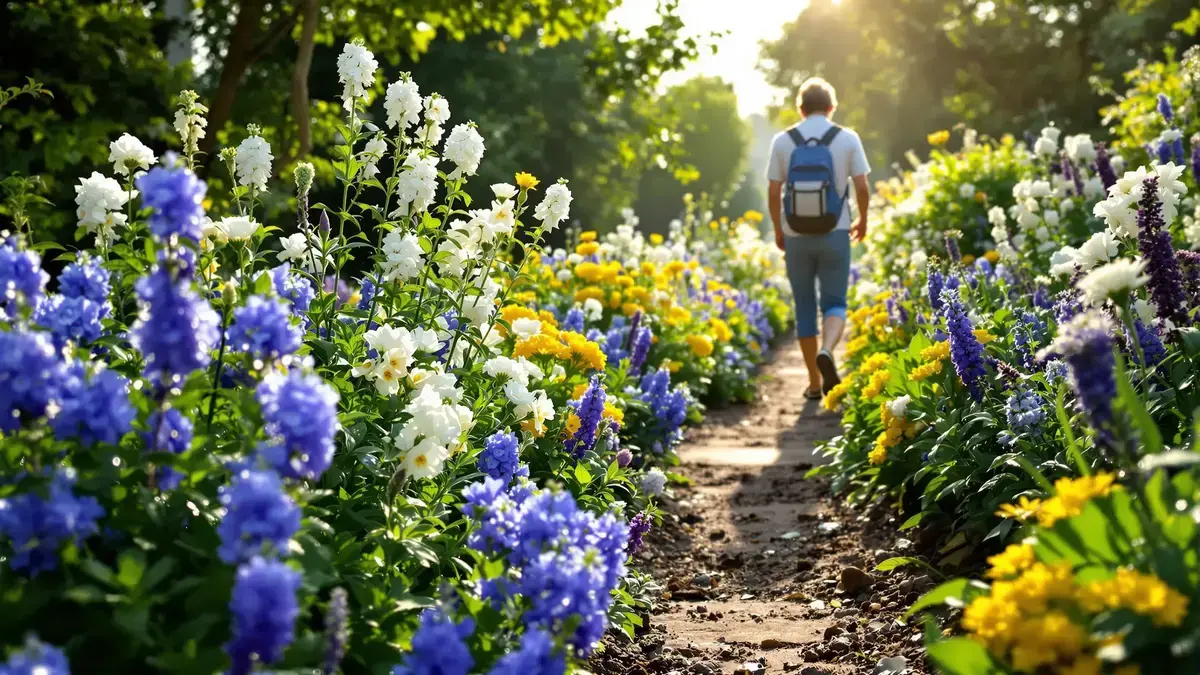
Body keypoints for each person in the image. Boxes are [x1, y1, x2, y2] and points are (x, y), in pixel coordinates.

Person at [765, 77, 870, 400]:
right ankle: (827, 349)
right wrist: (862, 219)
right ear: (831, 107)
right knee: (835, 301)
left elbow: (773, 189)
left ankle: (813, 381)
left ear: (800, 108)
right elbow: (862, 187)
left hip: (796, 234)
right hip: (835, 231)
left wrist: (779, 229)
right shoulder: (847, 138)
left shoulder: (783, 141)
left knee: (804, 305)